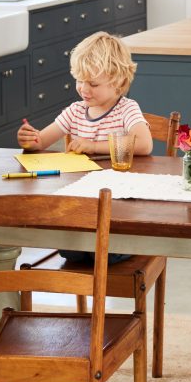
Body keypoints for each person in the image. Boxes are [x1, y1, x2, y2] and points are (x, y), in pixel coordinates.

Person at [17, 31, 150, 263]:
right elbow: (41, 142)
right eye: (79, 80)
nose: (84, 89)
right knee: (72, 249)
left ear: (118, 82)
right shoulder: (76, 111)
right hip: (82, 207)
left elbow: (144, 144)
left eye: (93, 83)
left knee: (107, 251)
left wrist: (93, 146)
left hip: (117, 206)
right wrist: (29, 140)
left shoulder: (126, 109)